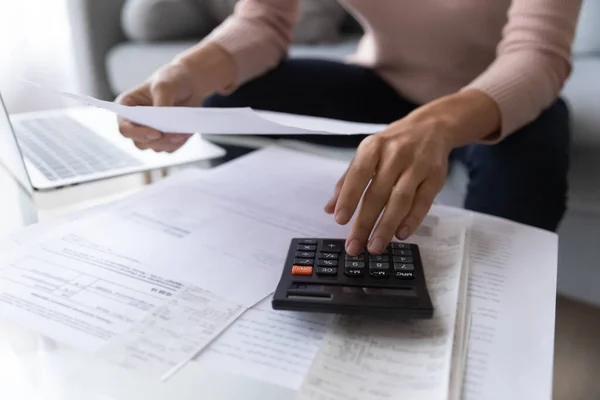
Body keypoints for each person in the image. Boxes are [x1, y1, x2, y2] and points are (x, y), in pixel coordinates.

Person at [117, 0, 582, 256]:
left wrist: (436, 123)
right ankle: (253, 252)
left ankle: (485, 322)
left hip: (493, 98)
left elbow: (537, 55)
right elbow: (264, 20)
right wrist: (186, 72)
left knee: (529, 166)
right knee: (227, 98)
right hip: (382, 79)